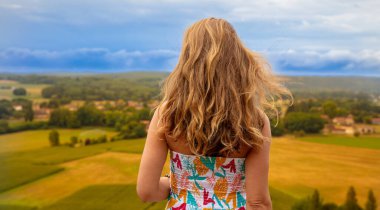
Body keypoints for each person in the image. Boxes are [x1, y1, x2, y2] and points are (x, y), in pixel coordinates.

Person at [137, 17, 293, 210]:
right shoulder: (255, 120)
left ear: (187, 61)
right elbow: (258, 202)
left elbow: (147, 192)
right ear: (237, 60)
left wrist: (177, 184)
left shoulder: (167, 114)